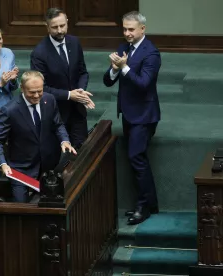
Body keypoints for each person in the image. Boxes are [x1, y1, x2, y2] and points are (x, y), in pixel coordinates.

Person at [103, 11, 161, 225]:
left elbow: (144, 84)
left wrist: (124, 67)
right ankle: (150, 203)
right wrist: (114, 70)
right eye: (124, 29)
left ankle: (143, 206)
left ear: (142, 29)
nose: (127, 33)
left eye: (131, 29)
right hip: (128, 113)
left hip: (144, 115)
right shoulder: (123, 48)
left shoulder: (151, 53)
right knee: (137, 158)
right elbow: (107, 81)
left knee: (137, 158)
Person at [0, 71, 76, 203]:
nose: (36, 96)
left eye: (39, 91)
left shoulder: (49, 99)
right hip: (21, 168)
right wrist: (2, 163)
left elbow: (58, 124)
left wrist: (64, 140)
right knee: (21, 208)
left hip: (48, 165)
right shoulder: (10, 110)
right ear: (22, 88)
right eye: (31, 92)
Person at [31, 8, 94, 148]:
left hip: (77, 111)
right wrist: (69, 95)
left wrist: (80, 91)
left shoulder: (74, 42)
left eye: (62, 26)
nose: (59, 31)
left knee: (81, 152)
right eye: (54, 27)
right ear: (47, 27)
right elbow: (41, 88)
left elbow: (83, 72)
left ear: (67, 22)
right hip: (55, 114)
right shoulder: (39, 53)